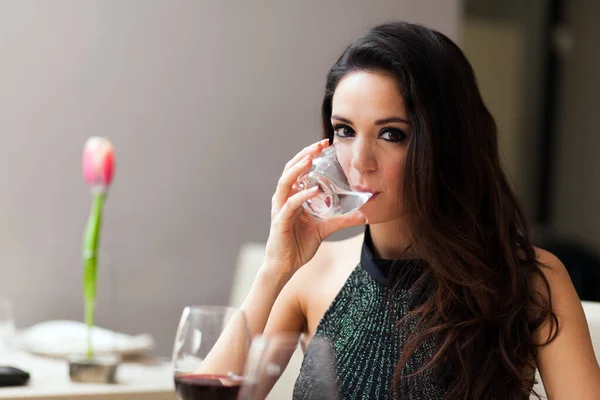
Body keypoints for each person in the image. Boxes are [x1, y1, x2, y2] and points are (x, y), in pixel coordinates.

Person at [240, 21, 600, 399]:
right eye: (345, 130)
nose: (360, 162)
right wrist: (274, 268)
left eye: (391, 134)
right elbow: (209, 393)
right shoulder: (312, 273)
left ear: (445, 144)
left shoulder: (526, 282)